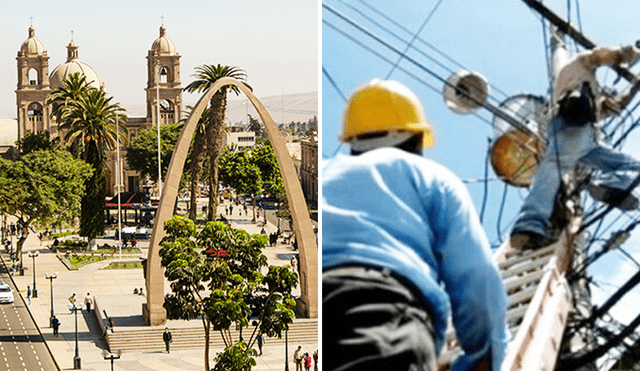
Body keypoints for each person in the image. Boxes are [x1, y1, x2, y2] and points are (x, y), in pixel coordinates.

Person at [323, 79, 508, 371]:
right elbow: (476, 274)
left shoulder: (323, 172)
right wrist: (484, 355)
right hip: (379, 312)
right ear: (412, 137)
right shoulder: (431, 176)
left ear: (352, 140)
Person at [510, 35, 640, 250]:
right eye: (606, 91)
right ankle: (529, 223)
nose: (608, 93)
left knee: (633, 166)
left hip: (587, 139)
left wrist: (636, 85)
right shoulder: (577, 67)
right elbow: (598, 55)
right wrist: (629, 54)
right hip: (570, 123)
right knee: (555, 166)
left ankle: (612, 184)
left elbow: (620, 104)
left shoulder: (594, 101)